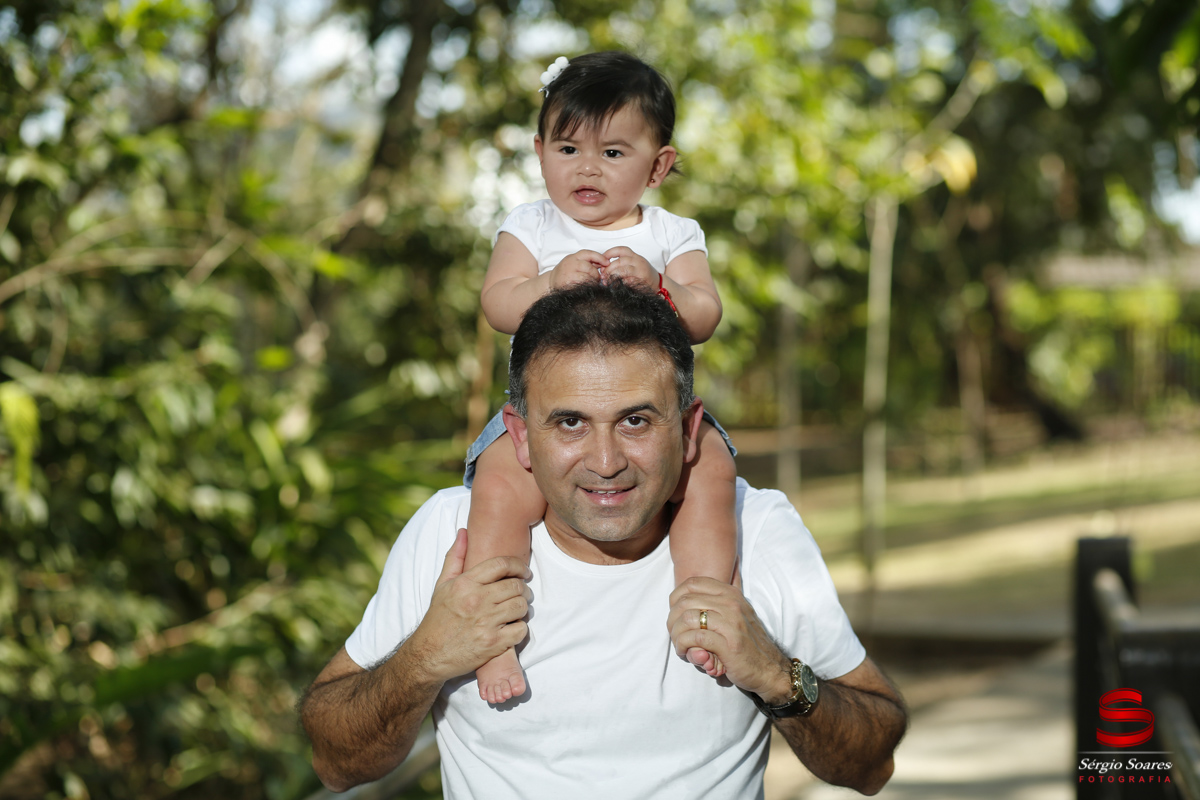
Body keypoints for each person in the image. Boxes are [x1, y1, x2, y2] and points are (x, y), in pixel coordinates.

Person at [300, 281, 908, 799]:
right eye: (569, 422)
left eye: (636, 420)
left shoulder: (761, 529)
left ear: (691, 429)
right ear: (517, 435)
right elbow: (333, 762)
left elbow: (871, 765)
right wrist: (426, 657)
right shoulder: (449, 533)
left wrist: (775, 674)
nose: (606, 461)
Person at [467, 50, 738, 705]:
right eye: (567, 147)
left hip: (655, 415)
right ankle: (490, 633)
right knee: (501, 486)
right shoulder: (531, 225)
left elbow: (705, 314)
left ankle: (703, 611)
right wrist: (548, 281)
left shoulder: (673, 233)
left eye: (614, 153)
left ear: (659, 165)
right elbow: (497, 300)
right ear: (538, 152)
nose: (586, 168)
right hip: (545, 414)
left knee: (712, 474)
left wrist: (663, 286)